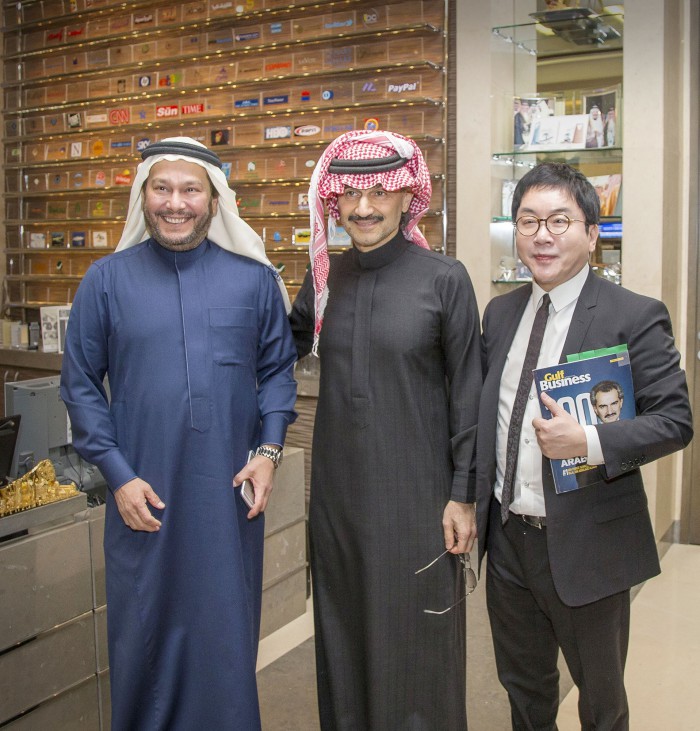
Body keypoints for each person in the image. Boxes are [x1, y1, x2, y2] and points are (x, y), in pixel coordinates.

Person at [60, 137, 297, 730]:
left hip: (229, 496)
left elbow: (277, 372)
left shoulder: (253, 281)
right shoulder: (105, 281)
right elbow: (80, 385)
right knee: (145, 640)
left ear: (214, 201)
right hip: (143, 497)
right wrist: (118, 477)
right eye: (161, 188)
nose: (175, 203)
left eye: (190, 190)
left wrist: (268, 451)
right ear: (143, 196)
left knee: (224, 638)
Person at [476, 161, 693, 731]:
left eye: (559, 221)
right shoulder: (500, 314)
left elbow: (675, 421)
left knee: (601, 705)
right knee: (524, 694)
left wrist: (590, 440)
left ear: (592, 234)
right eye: (528, 221)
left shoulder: (633, 315)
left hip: (589, 543)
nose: (541, 236)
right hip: (509, 540)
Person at [289, 129, 482, 729]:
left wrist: (464, 494)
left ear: (407, 197)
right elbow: (269, 352)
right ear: (334, 202)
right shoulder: (324, 280)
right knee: (343, 642)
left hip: (419, 502)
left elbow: (468, 396)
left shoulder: (444, 279)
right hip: (338, 505)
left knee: (419, 649)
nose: (364, 208)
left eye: (379, 192)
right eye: (350, 194)